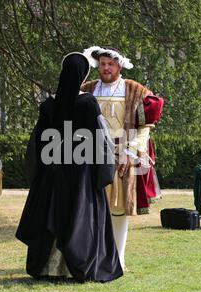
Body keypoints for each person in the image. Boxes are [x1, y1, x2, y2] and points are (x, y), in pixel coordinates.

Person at [15, 52, 123, 283]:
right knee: (78, 217)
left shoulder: (49, 104)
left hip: (52, 172)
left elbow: (38, 141)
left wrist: (40, 171)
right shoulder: (87, 102)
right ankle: (76, 267)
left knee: (51, 214)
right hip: (81, 173)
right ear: (83, 75)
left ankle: (48, 268)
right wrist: (104, 170)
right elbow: (100, 138)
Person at [81, 46, 163, 271]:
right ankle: (95, 257)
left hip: (122, 157)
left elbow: (145, 127)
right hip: (90, 156)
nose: (106, 68)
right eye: (103, 64)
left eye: (110, 64)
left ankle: (118, 259)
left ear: (119, 65)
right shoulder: (86, 89)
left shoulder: (135, 90)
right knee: (92, 208)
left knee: (118, 208)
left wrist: (130, 153)